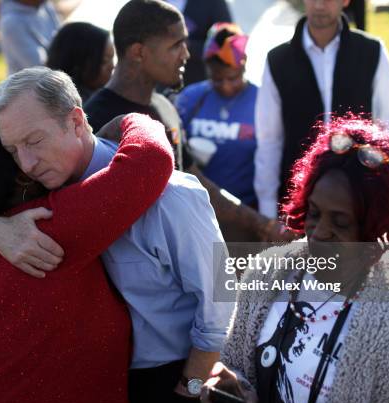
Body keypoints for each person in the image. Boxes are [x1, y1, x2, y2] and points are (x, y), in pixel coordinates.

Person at [0, 67, 234, 403]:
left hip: (170, 378)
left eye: (34, 141)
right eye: (13, 150)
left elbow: (221, 299)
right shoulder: (34, 211)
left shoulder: (171, 198)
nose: (27, 164)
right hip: (100, 385)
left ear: (75, 122)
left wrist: (189, 390)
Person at [0, 112, 173, 403]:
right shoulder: (52, 223)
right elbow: (151, 159)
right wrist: (131, 119)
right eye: (14, 150)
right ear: (22, 175)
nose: (28, 154)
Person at [200, 117, 389, 403]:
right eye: (314, 213)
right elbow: (235, 365)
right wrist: (233, 389)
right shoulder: (265, 274)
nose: (319, 232)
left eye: (340, 222)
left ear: (376, 232)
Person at [85, 0, 287, 242]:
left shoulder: (166, 109)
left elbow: (196, 184)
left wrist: (262, 224)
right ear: (139, 52)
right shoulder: (95, 119)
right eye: (176, 45)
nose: (187, 55)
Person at [253, 0, 389, 223]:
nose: (319, 5)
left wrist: (388, 194)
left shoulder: (371, 52)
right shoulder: (278, 60)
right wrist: (268, 210)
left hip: (360, 195)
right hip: (298, 198)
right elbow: (269, 139)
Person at [176, 23, 257, 210]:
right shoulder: (190, 98)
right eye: (217, 79)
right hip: (195, 204)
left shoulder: (262, 101)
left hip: (246, 207)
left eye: (233, 78)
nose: (226, 86)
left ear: (244, 64)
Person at [164, 0, 232, 86]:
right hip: (153, 85)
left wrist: (188, 46)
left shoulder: (214, 3)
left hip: (196, 83)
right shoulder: (149, 3)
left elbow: (227, 43)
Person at [46, 22, 114, 102]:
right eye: (104, 61)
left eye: (112, 58)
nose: (112, 66)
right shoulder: (70, 107)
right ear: (77, 64)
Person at [0, 0, 60, 75]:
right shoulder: (11, 22)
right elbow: (39, 69)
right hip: (33, 84)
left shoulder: (45, 6)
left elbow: (62, 39)